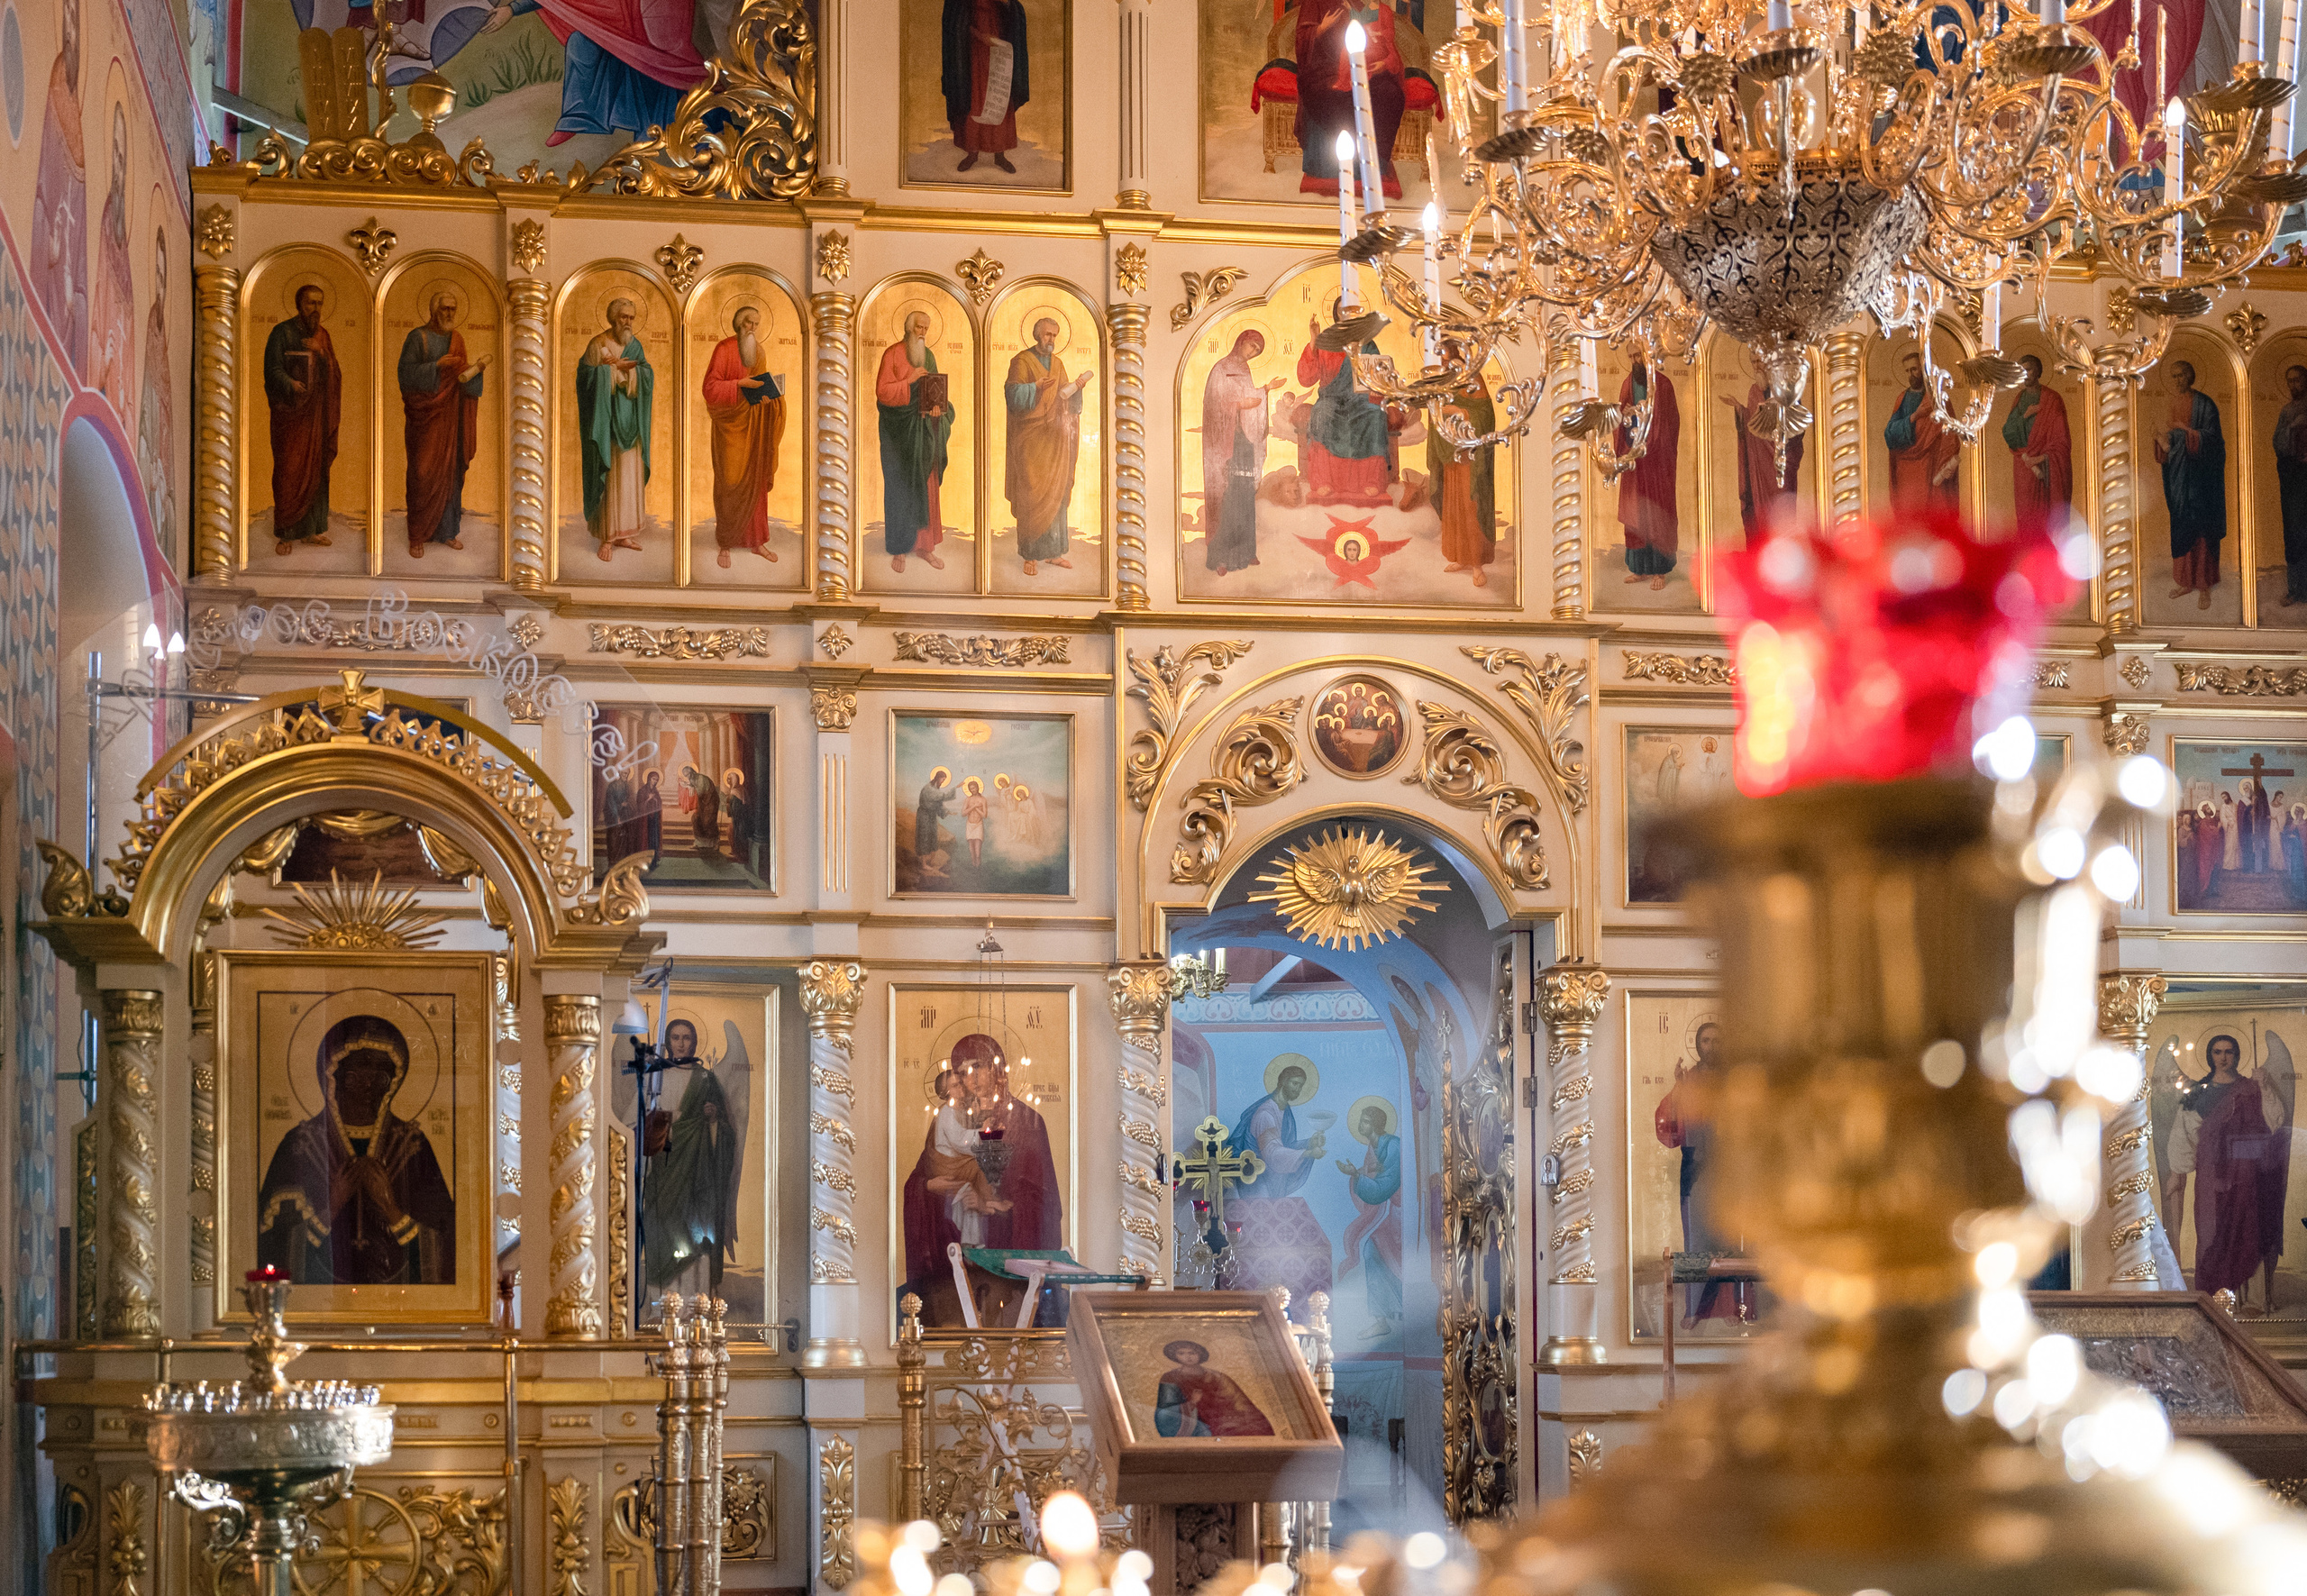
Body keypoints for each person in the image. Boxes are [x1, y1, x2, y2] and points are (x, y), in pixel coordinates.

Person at [256, 1015, 455, 1284]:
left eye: (381, 1075)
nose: (368, 1085)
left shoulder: (411, 1146)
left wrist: (390, 1208)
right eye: (355, 1075)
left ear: (394, 1081)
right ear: (332, 1076)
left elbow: (448, 1245)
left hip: (397, 1297)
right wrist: (331, 1206)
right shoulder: (300, 1146)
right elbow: (271, 1248)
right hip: (320, 1300)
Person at [900, 1034, 1063, 1290]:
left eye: (977, 1066)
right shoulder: (956, 1118)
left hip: (1006, 1264)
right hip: (956, 1261)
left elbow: (1042, 1203)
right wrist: (932, 1187)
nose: (970, 1077)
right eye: (963, 1072)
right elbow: (919, 1180)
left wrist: (989, 1206)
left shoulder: (1025, 1122)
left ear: (997, 1068)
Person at [2164, 1033, 2290, 1309]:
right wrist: (2178, 1171)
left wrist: (2265, 1087)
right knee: (2211, 1233)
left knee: (2248, 1229)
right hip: (2211, 1175)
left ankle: (2253, 1300)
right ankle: (2212, 1299)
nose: (2223, 1057)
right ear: (2210, 1055)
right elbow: (2183, 1133)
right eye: (2218, 1052)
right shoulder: (2198, 1091)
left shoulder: (2252, 1087)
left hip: (2247, 1174)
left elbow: (2275, 1120)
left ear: (2237, 1055)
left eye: (2229, 1052)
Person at [480, 0, 710, 148]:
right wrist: (512, 8)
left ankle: (657, 128)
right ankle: (580, 116)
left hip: (655, 14)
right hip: (618, 13)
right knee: (581, 43)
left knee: (654, 56)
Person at [641, 1021, 743, 1290]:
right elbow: (637, 1123)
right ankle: (660, 1296)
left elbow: (728, 1136)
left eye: (687, 1038)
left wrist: (713, 1121)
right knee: (659, 1222)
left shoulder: (706, 1080)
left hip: (697, 1170)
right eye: (675, 1038)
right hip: (662, 1165)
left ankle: (695, 1295)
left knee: (696, 1227)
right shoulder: (655, 1076)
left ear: (695, 1042)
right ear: (667, 1041)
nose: (682, 1043)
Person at [1654, 1021, 1741, 1327]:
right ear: (1698, 1044)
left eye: (1718, 1040)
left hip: (1730, 1168)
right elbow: (1669, 1128)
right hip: (1695, 1168)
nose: (1712, 1046)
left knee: (1729, 1233)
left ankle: (1731, 1308)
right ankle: (1695, 1310)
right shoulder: (1688, 1081)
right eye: (1706, 1040)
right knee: (1696, 1236)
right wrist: (1679, 1088)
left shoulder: (1735, 1079)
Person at [397, 287, 489, 559]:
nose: (449, 313)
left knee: (450, 474)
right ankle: (417, 535)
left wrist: (475, 371)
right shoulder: (418, 337)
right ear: (433, 310)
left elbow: (461, 376)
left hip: (451, 418)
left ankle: (447, 532)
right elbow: (405, 374)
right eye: (444, 308)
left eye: (453, 309)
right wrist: (436, 366)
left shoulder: (457, 338)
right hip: (425, 419)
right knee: (422, 473)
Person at [702, 305, 788, 569]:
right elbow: (710, 388)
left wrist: (769, 398)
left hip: (754, 427)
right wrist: (739, 384)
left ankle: (757, 541)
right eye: (749, 323)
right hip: (730, 427)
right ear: (739, 324)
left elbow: (759, 386)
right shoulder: (724, 349)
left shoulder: (758, 352)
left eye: (756, 324)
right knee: (730, 481)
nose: (753, 328)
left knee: (756, 481)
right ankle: (726, 542)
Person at [1294, 0, 1407, 201]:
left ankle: (1375, 164)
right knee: (1333, 95)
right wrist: (1321, 29)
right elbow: (1301, 40)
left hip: (1360, 66)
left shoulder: (1358, 3)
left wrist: (1379, 61)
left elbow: (1381, 39)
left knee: (1389, 95)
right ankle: (1331, 165)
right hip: (1323, 70)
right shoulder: (1314, 2)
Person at [1004, 317, 1090, 575]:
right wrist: (1035, 387)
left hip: (1055, 438)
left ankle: (1053, 553)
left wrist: (1077, 388)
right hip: (1030, 439)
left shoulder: (1058, 363)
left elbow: (1063, 396)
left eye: (1054, 335)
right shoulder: (1021, 361)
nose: (1051, 339)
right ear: (1036, 335)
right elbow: (1012, 395)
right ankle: (1030, 555)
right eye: (1047, 334)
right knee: (1031, 492)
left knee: (1057, 491)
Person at [263, 284, 343, 554]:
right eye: (311, 303)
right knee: (290, 468)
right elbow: (272, 370)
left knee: (318, 471)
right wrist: (290, 383)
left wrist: (322, 354)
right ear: (299, 304)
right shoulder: (282, 333)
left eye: (319, 303)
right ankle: (286, 532)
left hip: (317, 415)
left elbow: (335, 374)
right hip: (291, 415)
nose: (316, 309)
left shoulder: (323, 336)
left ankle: (313, 530)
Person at [32, 0, 88, 372]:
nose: (70, 33)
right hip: (48, 268)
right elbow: (39, 195)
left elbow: (79, 238)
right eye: (66, 22)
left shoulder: (80, 135)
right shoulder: (52, 98)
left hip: (66, 289)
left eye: (75, 26)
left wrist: (74, 293)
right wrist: (49, 246)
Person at [1296, 298, 1395, 507]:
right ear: (1336, 313)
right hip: (1331, 400)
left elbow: (1379, 375)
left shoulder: (1367, 343)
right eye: (1343, 311)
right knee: (1321, 413)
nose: (1347, 315)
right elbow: (1306, 379)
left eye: (1351, 311)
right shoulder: (1326, 341)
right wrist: (1314, 340)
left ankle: (1372, 480)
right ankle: (1323, 480)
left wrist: (1381, 384)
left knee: (1375, 415)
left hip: (1361, 401)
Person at [1201, 330, 1284, 576]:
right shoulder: (1220, 369)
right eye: (1251, 346)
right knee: (1228, 496)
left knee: (1245, 493)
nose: (1253, 352)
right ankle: (1221, 558)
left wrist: (1266, 389)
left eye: (1257, 351)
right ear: (1240, 342)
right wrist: (1238, 405)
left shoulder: (1245, 371)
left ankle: (1246, 551)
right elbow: (1214, 403)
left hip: (1244, 438)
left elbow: (1250, 399)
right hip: (1225, 441)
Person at [877, 310, 953, 573]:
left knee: (927, 485)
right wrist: (907, 381)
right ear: (908, 329)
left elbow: (934, 389)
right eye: (918, 327)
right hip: (898, 434)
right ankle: (900, 548)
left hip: (924, 432)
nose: (922, 332)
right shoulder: (892, 354)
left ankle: (925, 547)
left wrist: (938, 409)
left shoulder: (928, 356)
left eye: (926, 328)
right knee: (900, 488)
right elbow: (882, 393)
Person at [578, 297, 654, 561]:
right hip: (607, 423)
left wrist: (631, 374)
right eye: (623, 317)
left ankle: (625, 533)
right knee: (612, 478)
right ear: (612, 318)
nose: (628, 322)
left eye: (631, 318)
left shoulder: (635, 345)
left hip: (631, 422)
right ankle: (608, 537)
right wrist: (608, 372)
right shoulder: (598, 344)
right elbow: (585, 380)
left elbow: (647, 374)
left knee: (629, 477)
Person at [2157, 360, 2227, 609]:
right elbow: (2169, 439)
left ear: (2191, 376)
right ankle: (2186, 581)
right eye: (2173, 376)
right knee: (2182, 522)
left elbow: (2214, 440)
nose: (2177, 380)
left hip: (2202, 478)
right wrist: (2163, 441)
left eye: (2182, 375)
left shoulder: (2205, 404)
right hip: (2179, 476)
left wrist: (2185, 431)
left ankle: (2204, 584)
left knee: (2202, 527)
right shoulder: (2171, 403)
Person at [921, 1066, 1013, 1245]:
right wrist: (982, 1130)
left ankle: (987, 1202)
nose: (961, 1088)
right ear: (946, 1092)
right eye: (955, 1086)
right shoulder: (947, 1112)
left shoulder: (957, 1111)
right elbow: (959, 1140)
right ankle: (990, 1201)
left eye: (960, 1084)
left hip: (956, 1160)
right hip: (947, 1163)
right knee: (980, 1165)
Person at [1335, 1100, 1402, 1339]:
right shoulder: (1373, 1147)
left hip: (1398, 1217)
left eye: (1364, 1120)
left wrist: (1356, 1175)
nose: (1360, 1124)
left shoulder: (1393, 1146)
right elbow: (1375, 1174)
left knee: (1389, 1258)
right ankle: (1382, 1319)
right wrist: (1358, 1173)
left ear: (1374, 1124)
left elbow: (1384, 1185)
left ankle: (1395, 1315)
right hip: (1387, 1216)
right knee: (1373, 1254)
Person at [1432, 360, 1500, 588]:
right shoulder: (1444, 381)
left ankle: (1477, 564)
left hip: (1472, 459)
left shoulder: (1474, 379)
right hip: (1451, 455)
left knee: (1472, 506)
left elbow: (1486, 416)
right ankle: (1461, 557)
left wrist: (1461, 412)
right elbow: (1437, 413)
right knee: (1454, 506)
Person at [942, 0, 1030, 173]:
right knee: (976, 98)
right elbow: (955, 21)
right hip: (973, 52)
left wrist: (1007, 4)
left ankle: (1000, 154)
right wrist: (981, 37)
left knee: (1000, 96)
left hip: (1001, 47)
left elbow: (1014, 11)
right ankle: (972, 152)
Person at [1616, 358, 1680, 588]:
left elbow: (1670, 424)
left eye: (1638, 356)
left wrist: (1649, 432)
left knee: (1656, 512)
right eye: (1630, 356)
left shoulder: (1663, 385)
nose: (1634, 361)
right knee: (1636, 513)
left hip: (1657, 462)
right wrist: (1625, 417)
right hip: (1634, 460)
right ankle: (1639, 569)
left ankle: (1660, 570)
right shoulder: (1627, 384)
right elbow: (1619, 419)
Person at [90, 105, 134, 420]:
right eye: (114, 154)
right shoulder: (106, 219)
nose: (117, 166)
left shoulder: (125, 251)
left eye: (123, 159)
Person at [1231, 1055, 1326, 1199]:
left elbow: (1286, 1146)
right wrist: (1308, 1153)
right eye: (1295, 1083)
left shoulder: (1285, 1111)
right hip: (1258, 1185)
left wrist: (1309, 1143)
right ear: (1283, 1081)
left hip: (1274, 1182)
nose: (1298, 1089)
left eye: (1301, 1085)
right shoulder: (1265, 1114)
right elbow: (1272, 1154)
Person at [1884, 349, 1961, 513]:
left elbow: (1950, 431)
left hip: (1932, 463)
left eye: (1914, 369)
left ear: (1923, 370)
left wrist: (1946, 462)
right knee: (1909, 514)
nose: (1911, 374)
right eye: (1907, 371)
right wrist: (1914, 416)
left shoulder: (1938, 399)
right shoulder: (1902, 399)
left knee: (1933, 512)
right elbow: (1890, 433)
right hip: (1906, 469)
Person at [2002, 354, 2073, 525]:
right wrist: (2025, 415)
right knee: (2026, 519)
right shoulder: (2019, 399)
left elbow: (2061, 442)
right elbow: (2008, 432)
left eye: (2028, 369)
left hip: (2044, 466)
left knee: (2046, 519)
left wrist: (2040, 458)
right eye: (2021, 370)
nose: (2025, 374)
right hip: (2024, 468)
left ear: (2038, 371)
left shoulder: (2052, 400)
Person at [1154, 1341, 1277, 1436]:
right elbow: (1164, 1412)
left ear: (1200, 1355)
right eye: (1181, 1353)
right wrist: (1191, 1403)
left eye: (1192, 1353)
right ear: (1175, 1356)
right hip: (1196, 1424)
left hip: (1223, 1420)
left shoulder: (1217, 1377)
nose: (1188, 1357)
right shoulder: (1170, 1378)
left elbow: (1239, 1402)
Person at [1729, 381, 1802, 540]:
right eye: (1753, 362)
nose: (1756, 366)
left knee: (1782, 510)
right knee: (1759, 512)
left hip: (1782, 461)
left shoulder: (1787, 390)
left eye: (1758, 361)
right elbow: (1752, 424)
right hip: (1759, 467)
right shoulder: (1754, 390)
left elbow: (1797, 427)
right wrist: (1741, 412)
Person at [137, 230, 173, 541]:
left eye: (164, 279)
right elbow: (150, 397)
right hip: (150, 439)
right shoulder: (152, 326)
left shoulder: (161, 336)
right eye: (157, 275)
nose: (159, 286)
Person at [2273, 364, 2307, 608]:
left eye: (2297, 380)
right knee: (2295, 533)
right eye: (2289, 381)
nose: (2293, 385)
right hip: (2295, 481)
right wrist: (2292, 427)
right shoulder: (2287, 411)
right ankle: (2296, 589)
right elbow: (2277, 442)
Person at [914, 766, 954, 879]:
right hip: (924, 816)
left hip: (930, 816)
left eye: (944, 780)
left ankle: (928, 862)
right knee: (924, 838)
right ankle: (923, 864)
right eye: (942, 779)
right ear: (937, 778)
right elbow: (942, 797)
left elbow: (938, 804)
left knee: (932, 837)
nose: (943, 782)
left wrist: (947, 812)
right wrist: (955, 788)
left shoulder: (935, 789)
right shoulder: (929, 789)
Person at [681, 764, 721, 858]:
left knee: (708, 822)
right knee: (696, 819)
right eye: (686, 775)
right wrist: (687, 785)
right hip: (701, 803)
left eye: (688, 774)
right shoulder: (692, 780)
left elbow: (701, 792)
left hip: (710, 802)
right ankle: (699, 843)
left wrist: (689, 787)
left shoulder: (701, 778)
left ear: (692, 772)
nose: (688, 777)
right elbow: (693, 790)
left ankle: (715, 843)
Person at [962, 776, 989, 868]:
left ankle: (978, 864)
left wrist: (977, 808)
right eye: (970, 789)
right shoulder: (968, 799)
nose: (972, 790)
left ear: (977, 787)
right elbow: (963, 813)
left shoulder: (983, 799)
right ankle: (974, 866)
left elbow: (984, 815)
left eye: (974, 788)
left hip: (978, 825)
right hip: (970, 825)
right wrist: (973, 806)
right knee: (971, 850)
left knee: (977, 852)